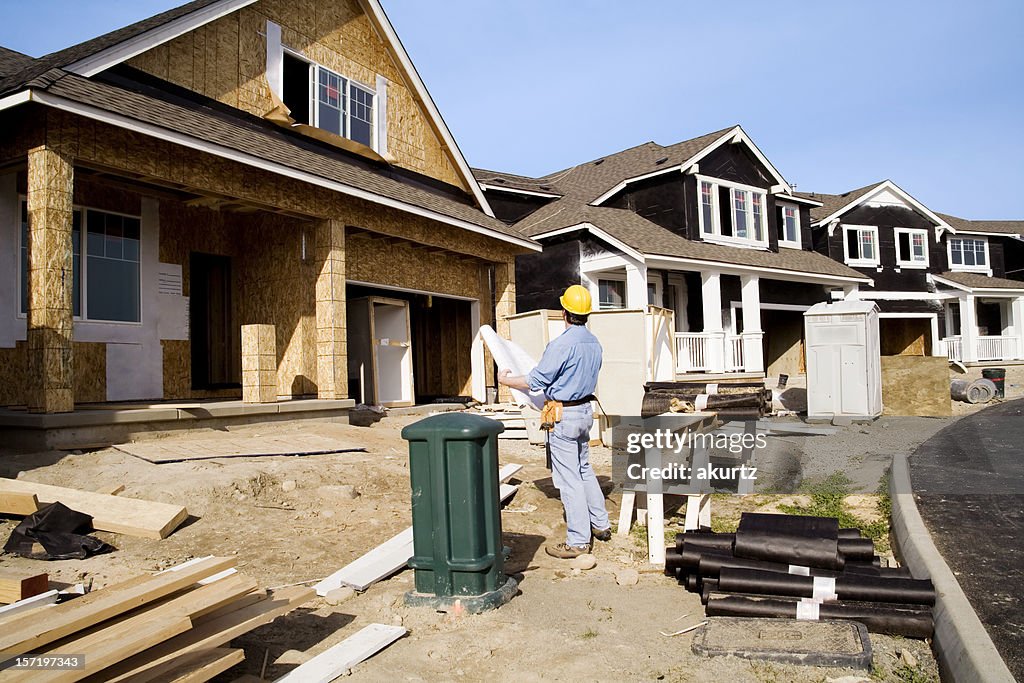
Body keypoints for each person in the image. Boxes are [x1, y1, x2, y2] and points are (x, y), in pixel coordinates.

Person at [498, 284, 611, 559]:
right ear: (585, 314)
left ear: (564, 312)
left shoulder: (562, 344)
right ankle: (601, 525)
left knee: (568, 477)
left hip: (564, 415)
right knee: (584, 469)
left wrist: (505, 379)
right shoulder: (594, 342)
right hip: (585, 412)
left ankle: (578, 541)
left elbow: (534, 381)